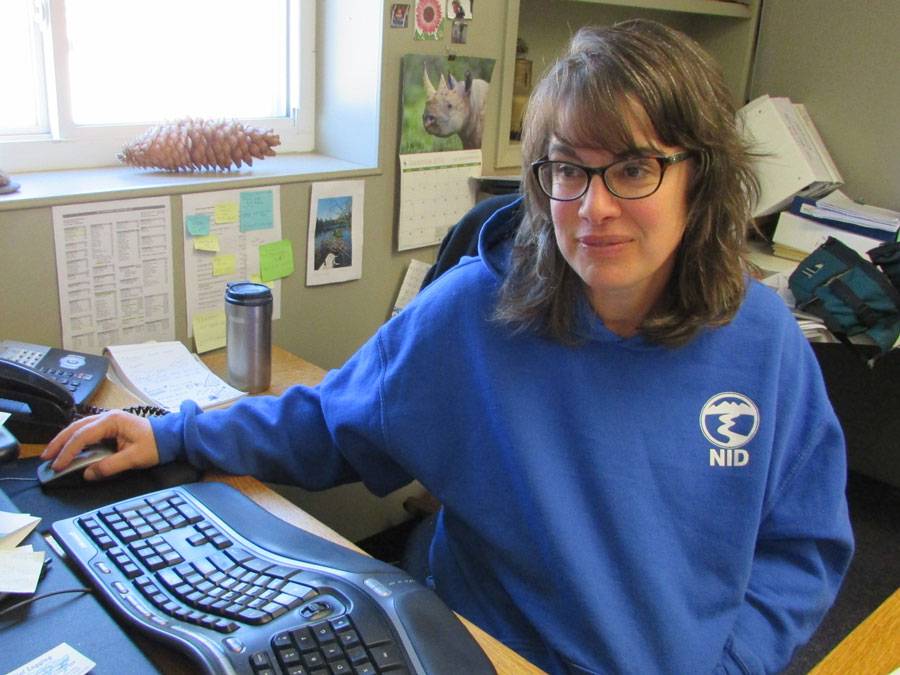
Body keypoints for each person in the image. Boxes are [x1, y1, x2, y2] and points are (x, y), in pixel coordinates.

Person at [44, 19, 853, 675]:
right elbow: (331, 420)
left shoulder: (762, 339)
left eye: (634, 168)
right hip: (488, 653)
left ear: (699, 177)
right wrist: (172, 431)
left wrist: (737, 663)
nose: (592, 208)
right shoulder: (475, 312)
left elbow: (805, 544)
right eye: (568, 169)